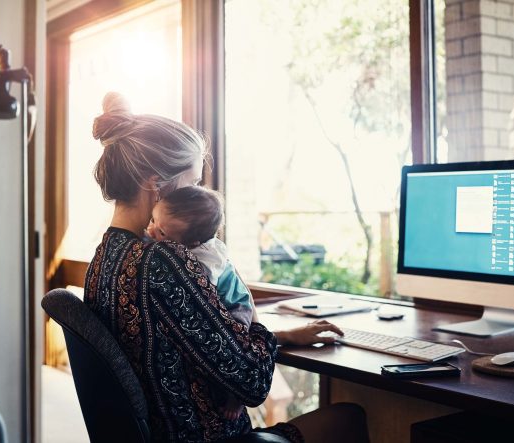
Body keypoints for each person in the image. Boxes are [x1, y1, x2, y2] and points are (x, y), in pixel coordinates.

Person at [84, 92, 369, 443]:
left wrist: (283, 336)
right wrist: (260, 330)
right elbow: (252, 382)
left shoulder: (104, 257)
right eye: (191, 184)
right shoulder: (163, 261)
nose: (196, 196)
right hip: (208, 438)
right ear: (154, 184)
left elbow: (180, 342)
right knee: (348, 418)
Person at [145, 185, 252, 420]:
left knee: (237, 346)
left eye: (161, 233)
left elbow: (202, 289)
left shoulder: (205, 260)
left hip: (237, 305)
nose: (151, 231)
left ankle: (237, 397)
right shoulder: (180, 241)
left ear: (191, 242)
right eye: (153, 220)